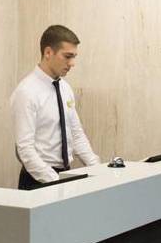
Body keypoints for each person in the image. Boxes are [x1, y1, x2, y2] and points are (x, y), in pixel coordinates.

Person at [10, 25, 101, 190]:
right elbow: (25, 149)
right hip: (37, 180)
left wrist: (97, 168)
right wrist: (55, 181)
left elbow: (76, 134)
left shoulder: (65, 88)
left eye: (74, 57)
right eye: (67, 56)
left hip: (64, 176)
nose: (72, 63)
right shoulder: (26, 92)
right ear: (48, 53)